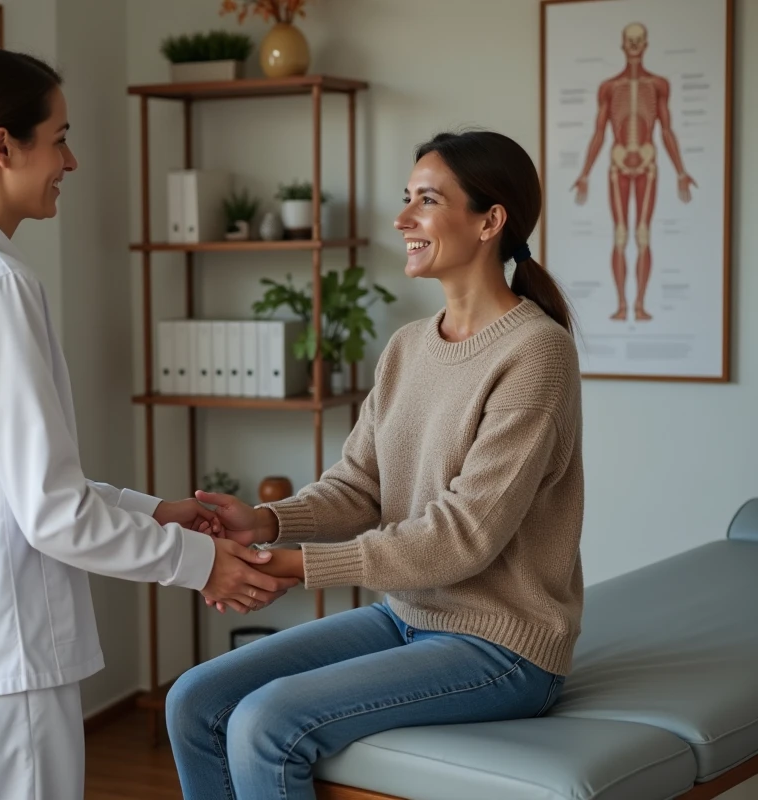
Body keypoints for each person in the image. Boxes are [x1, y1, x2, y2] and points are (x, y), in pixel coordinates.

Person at [0, 46, 297, 800]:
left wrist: (158, 514)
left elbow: (9, 482)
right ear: (1, 146)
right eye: (59, 137)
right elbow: (52, 512)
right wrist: (199, 562)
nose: (72, 160)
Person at [166, 130, 585, 800]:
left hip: (502, 649)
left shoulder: (536, 354)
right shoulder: (408, 347)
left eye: (426, 200)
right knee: (194, 700)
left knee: (265, 724)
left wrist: (298, 567)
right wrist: (264, 523)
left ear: (489, 221)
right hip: (408, 618)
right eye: (406, 199)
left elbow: (462, 537)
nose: (402, 219)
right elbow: (359, 487)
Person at [570, 22, 695, 322]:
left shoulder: (659, 85)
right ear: (624, 46)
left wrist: (681, 171)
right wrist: (585, 173)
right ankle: (622, 306)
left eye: (639, 41)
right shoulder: (610, 87)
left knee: (642, 235)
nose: (635, 46)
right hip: (618, 163)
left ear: (645, 44)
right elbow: (599, 133)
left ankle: (638, 305)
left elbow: (667, 131)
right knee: (621, 235)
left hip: (648, 163)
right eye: (631, 41)